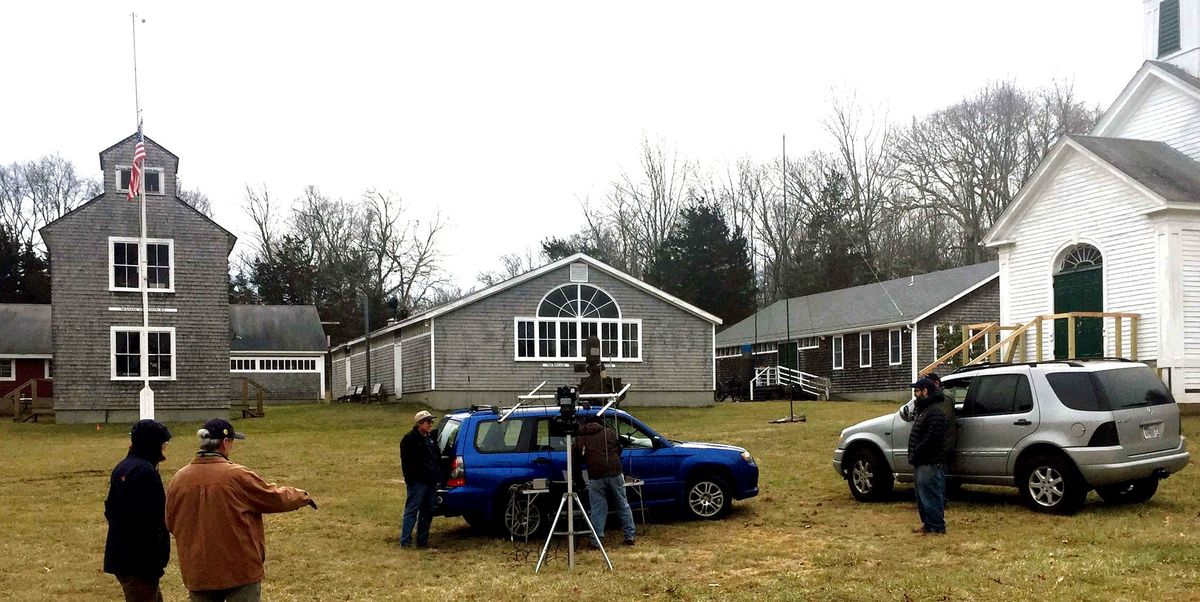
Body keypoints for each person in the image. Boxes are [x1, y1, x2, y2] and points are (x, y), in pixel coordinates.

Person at [166, 418, 315, 602]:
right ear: (225, 443)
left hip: (198, 571)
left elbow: (170, 521)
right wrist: (302, 496)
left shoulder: (178, 479)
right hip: (239, 571)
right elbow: (272, 497)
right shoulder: (236, 475)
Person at [104, 419, 173, 602]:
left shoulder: (123, 467)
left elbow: (110, 510)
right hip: (140, 562)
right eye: (162, 444)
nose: (164, 448)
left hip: (123, 556)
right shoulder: (145, 473)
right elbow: (152, 520)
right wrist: (156, 560)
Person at [575, 415, 636, 547]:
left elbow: (576, 459)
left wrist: (579, 479)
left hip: (595, 474)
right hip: (615, 471)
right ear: (598, 423)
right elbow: (619, 449)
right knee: (622, 503)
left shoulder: (581, 437)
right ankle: (629, 536)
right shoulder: (609, 432)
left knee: (597, 508)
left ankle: (596, 541)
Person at [908, 378, 949, 535]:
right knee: (922, 494)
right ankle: (928, 524)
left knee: (931, 493)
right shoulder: (924, 410)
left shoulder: (935, 411)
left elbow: (932, 438)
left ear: (925, 391)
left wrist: (917, 451)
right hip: (922, 460)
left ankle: (937, 525)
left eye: (917, 391)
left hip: (930, 460)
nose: (915, 394)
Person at [399, 410, 441, 549]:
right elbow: (407, 463)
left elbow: (436, 457)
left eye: (431, 422)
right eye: (428, 422)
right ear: (419, 424)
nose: (430, 425)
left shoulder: (430, 438)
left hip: (431, 481)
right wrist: (410, 480)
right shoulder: (410, 439)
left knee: (427, 512)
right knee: (412, 510)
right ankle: (405, 542)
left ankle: (422, 542)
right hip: (417, 482)